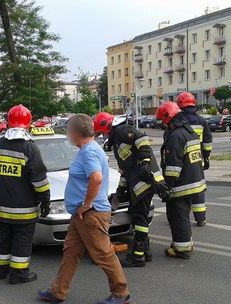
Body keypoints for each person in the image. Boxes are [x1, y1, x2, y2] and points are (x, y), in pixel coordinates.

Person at [39, 114, 130, 304]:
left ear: (75, 132)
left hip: (91, 214)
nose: (67, 134)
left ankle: (120, 293)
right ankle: (58, 291)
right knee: (71, 252)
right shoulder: (88, 149)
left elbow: (96, 178)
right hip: (81, 215)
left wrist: (86, 204)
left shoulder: (89, 152)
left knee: (103, 254)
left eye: (67, 131)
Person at [0, 104, 51, 285]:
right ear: (28, 124)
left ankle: (2, 270)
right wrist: (45, 200)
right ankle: (19, 274)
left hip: (2, 206)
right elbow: (39, 180)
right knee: (22, 241)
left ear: (8, 123)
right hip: (24, 209)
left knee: (4, 239)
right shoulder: (29, 148)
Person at [92, 112, 165, 268]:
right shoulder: (117, 144)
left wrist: (145, 162)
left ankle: (138, 256)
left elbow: (142, 138)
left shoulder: (121, 130)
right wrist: (120, 191)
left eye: (102, 132)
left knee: (140, 218)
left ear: (107, 126)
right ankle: (145, 251)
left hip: (145, 181)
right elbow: (126, 171)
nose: (102, 135)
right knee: (138, 215)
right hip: (137, 184)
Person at [156, 102, 206, 259]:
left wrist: (167, 186)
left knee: (177, 216)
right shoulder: (189, 131)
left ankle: (181, 249)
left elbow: (173, 166)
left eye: (163, 121)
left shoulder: (176, 136)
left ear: (168, 117)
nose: (163, 125)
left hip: (181, 185)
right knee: (183, 215)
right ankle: (185, 243)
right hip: (194, 181)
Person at [176, 92, 212, 226]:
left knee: (181, 189)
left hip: (182, 161)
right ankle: (200, 218)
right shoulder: (201, 120)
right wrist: (206, 157)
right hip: (197, 159)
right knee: (198, 188)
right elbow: (207, 140)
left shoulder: (178, 120)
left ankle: (180, 216)